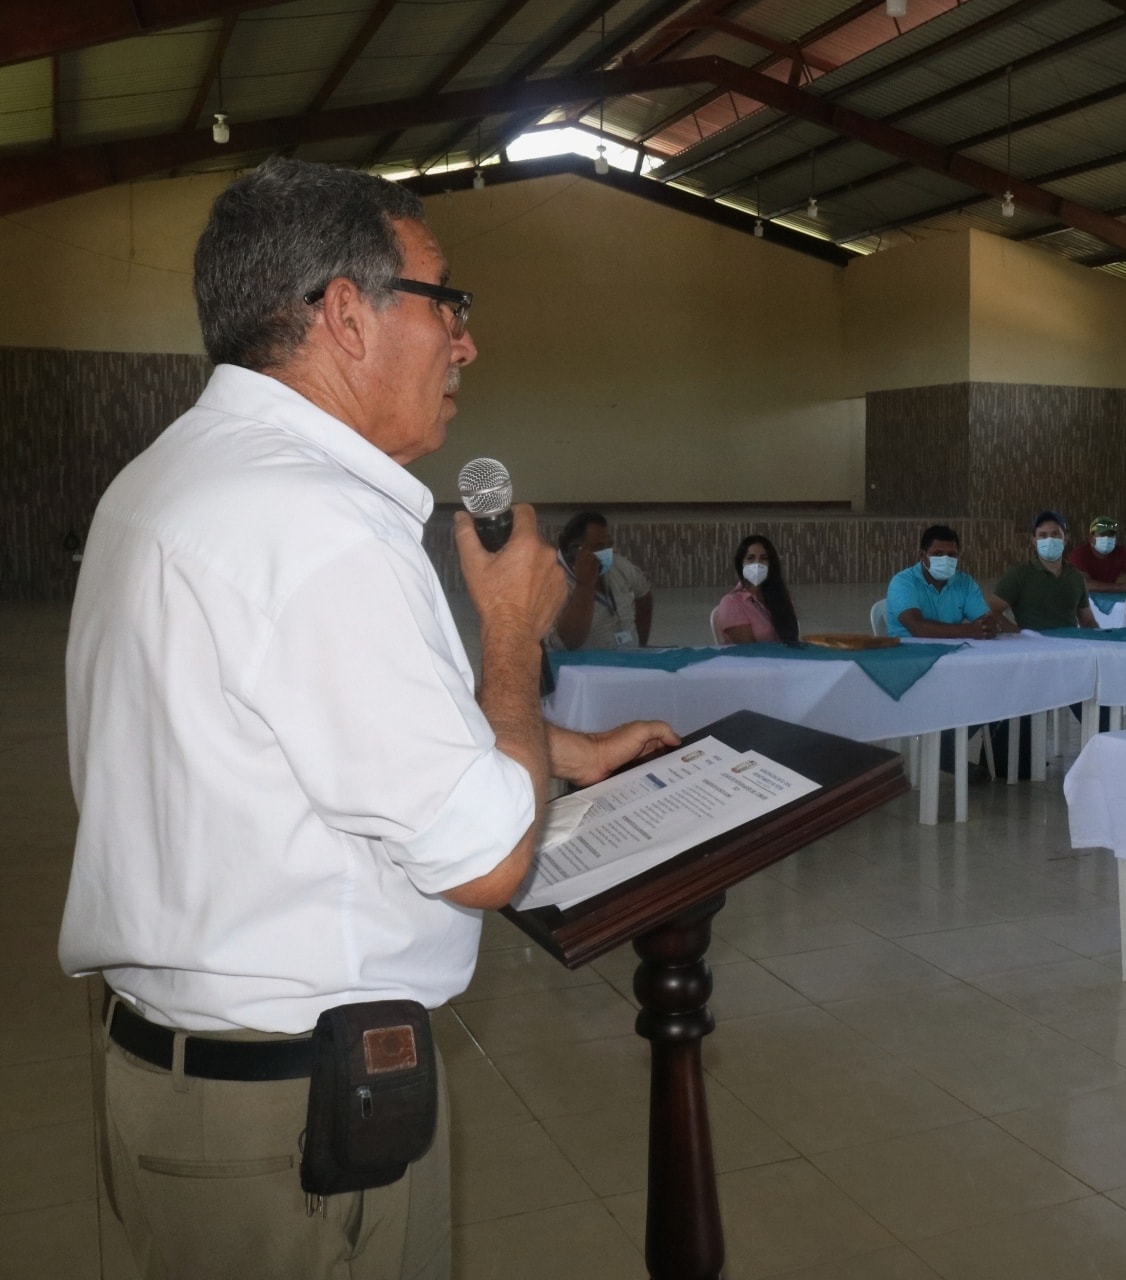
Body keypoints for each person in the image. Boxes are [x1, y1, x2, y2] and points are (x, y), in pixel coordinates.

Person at [58, 157, 677, 1279]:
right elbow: (488, 857)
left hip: (192, 1088)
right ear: (346, 313)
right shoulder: (316, 523)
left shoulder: (175, 474)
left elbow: (284, 735)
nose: (466, 343)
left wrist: (566, 750)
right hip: (289, 1131)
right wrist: (511, 632)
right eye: (449, 302)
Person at [886, 524, 1014, 639]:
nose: (945, 559)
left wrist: (989, 626)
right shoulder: (903, 582)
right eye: (938, 554)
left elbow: (984, 621)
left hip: (952, 653)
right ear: (922, 555)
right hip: (908, 654)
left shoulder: (965, 582)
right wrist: (971, 630)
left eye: (951, 555)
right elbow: (918, 627)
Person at [550, 511, 653, 650]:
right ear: (574, 550)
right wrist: (585, 585)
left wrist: (641, 643)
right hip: (585, 668)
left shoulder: (618, 565)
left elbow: (644, 594)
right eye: (599, 546)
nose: (607, 552)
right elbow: (569, 640)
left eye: (608, 545)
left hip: (630, 662)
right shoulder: (550, 583)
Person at [994, 510, 1096, 631]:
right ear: (1034, 540)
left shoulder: (1076, 577)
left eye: (1055, 534)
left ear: (1065, 538)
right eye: (1043, 535)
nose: (1049, 540)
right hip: (1034, 648)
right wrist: (1018, 633)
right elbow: (991, 611)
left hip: (1070, 646)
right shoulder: (1018, 575)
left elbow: (1088, 621)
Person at [714, 534, 799, 644]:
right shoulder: (731, 603)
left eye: (763, 558)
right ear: (741, 564)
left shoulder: (780, 598)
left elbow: (792, 640)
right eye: (751, 558)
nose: (757, 564)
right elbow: (751, 652)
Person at [1067, 515, 1126, 593]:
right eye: (1103, 534)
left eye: (1111, 535)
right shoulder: (1079, 554)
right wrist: (1121, 587)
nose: (1107, 538)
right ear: (1090, 538)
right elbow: (1083, 584)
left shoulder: (1122, 552)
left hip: (1108, 597)